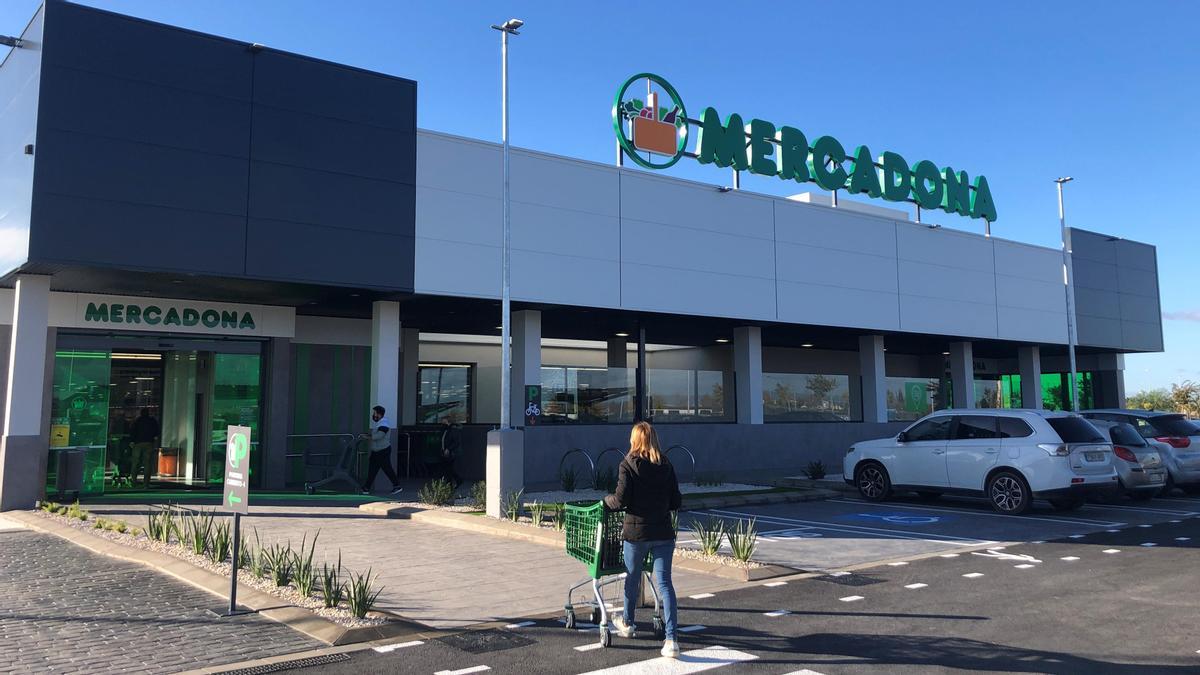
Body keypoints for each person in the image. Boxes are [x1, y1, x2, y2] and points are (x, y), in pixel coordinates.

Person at [603, 421, 682, 658]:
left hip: (636, 533)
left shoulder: (627, 464)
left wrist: (604, 501)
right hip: (663, 533)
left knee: (632, 578)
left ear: (635, 440)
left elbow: (620, 499)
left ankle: (627, 624)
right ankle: (672, 640)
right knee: (665, 584)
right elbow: (676, 501)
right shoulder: (666, 465)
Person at [360, 405, 403, 495]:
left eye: (375, 413)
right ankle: (366, 488)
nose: (373, 415)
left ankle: (397, 485)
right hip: (377, 451)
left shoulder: (384, 424)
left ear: (379, 414)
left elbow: (379, 436)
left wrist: (367, 437)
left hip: (382, 451)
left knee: (386, 469)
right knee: (373, 469)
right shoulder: (380, 424)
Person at [129, 408, 160, 487]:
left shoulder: (137, 421)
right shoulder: (152, 421)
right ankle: (146, 483)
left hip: (138, 443)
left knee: (135, 463)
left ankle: (133, 481)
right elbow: (156, 432)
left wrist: (132, 441)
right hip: (149, 443)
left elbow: (133, 431)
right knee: (147, 463)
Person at [439, 418, 462, 489]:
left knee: (449, 468)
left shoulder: (453, 430)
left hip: (451, 452)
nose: (442, 424)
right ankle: (452, 482)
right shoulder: (446, 430)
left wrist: (449, 449)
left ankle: (455, 481)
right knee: (448, 468)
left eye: (444, 422)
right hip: (445, 451)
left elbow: (456, 442)